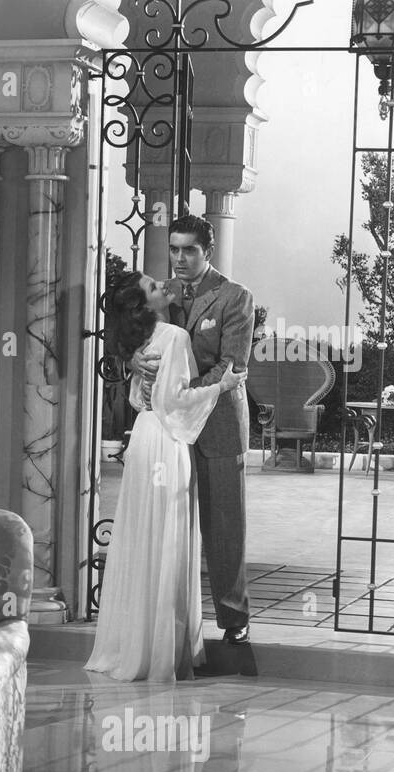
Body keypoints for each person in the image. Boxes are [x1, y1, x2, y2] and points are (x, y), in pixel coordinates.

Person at [86, 271, 246, 682]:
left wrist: (134, 355)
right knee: (169, 538)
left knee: (143, 536)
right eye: (155, 287)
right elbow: (175, 399)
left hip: (144, 438)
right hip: (169, 437)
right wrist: (221, 385)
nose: (165, 283)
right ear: (147, 303)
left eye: (187, 250)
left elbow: (149, 393)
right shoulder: (172, 333)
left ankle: (136, 641)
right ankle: (163, 647)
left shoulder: (225, 300)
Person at [132, 214, 255, 644]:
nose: (179, 258)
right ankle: (173, 625)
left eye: (190, 250)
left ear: (209, 250)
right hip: (168, 436)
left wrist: (176, 395)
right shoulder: (159, 292)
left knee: (224, 524)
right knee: (170, 526)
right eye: (174, 248)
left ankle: (233, 622)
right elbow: (132, 339)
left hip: (217, 425)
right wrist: (135, 362)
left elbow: (232, 366)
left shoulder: (234, 297)